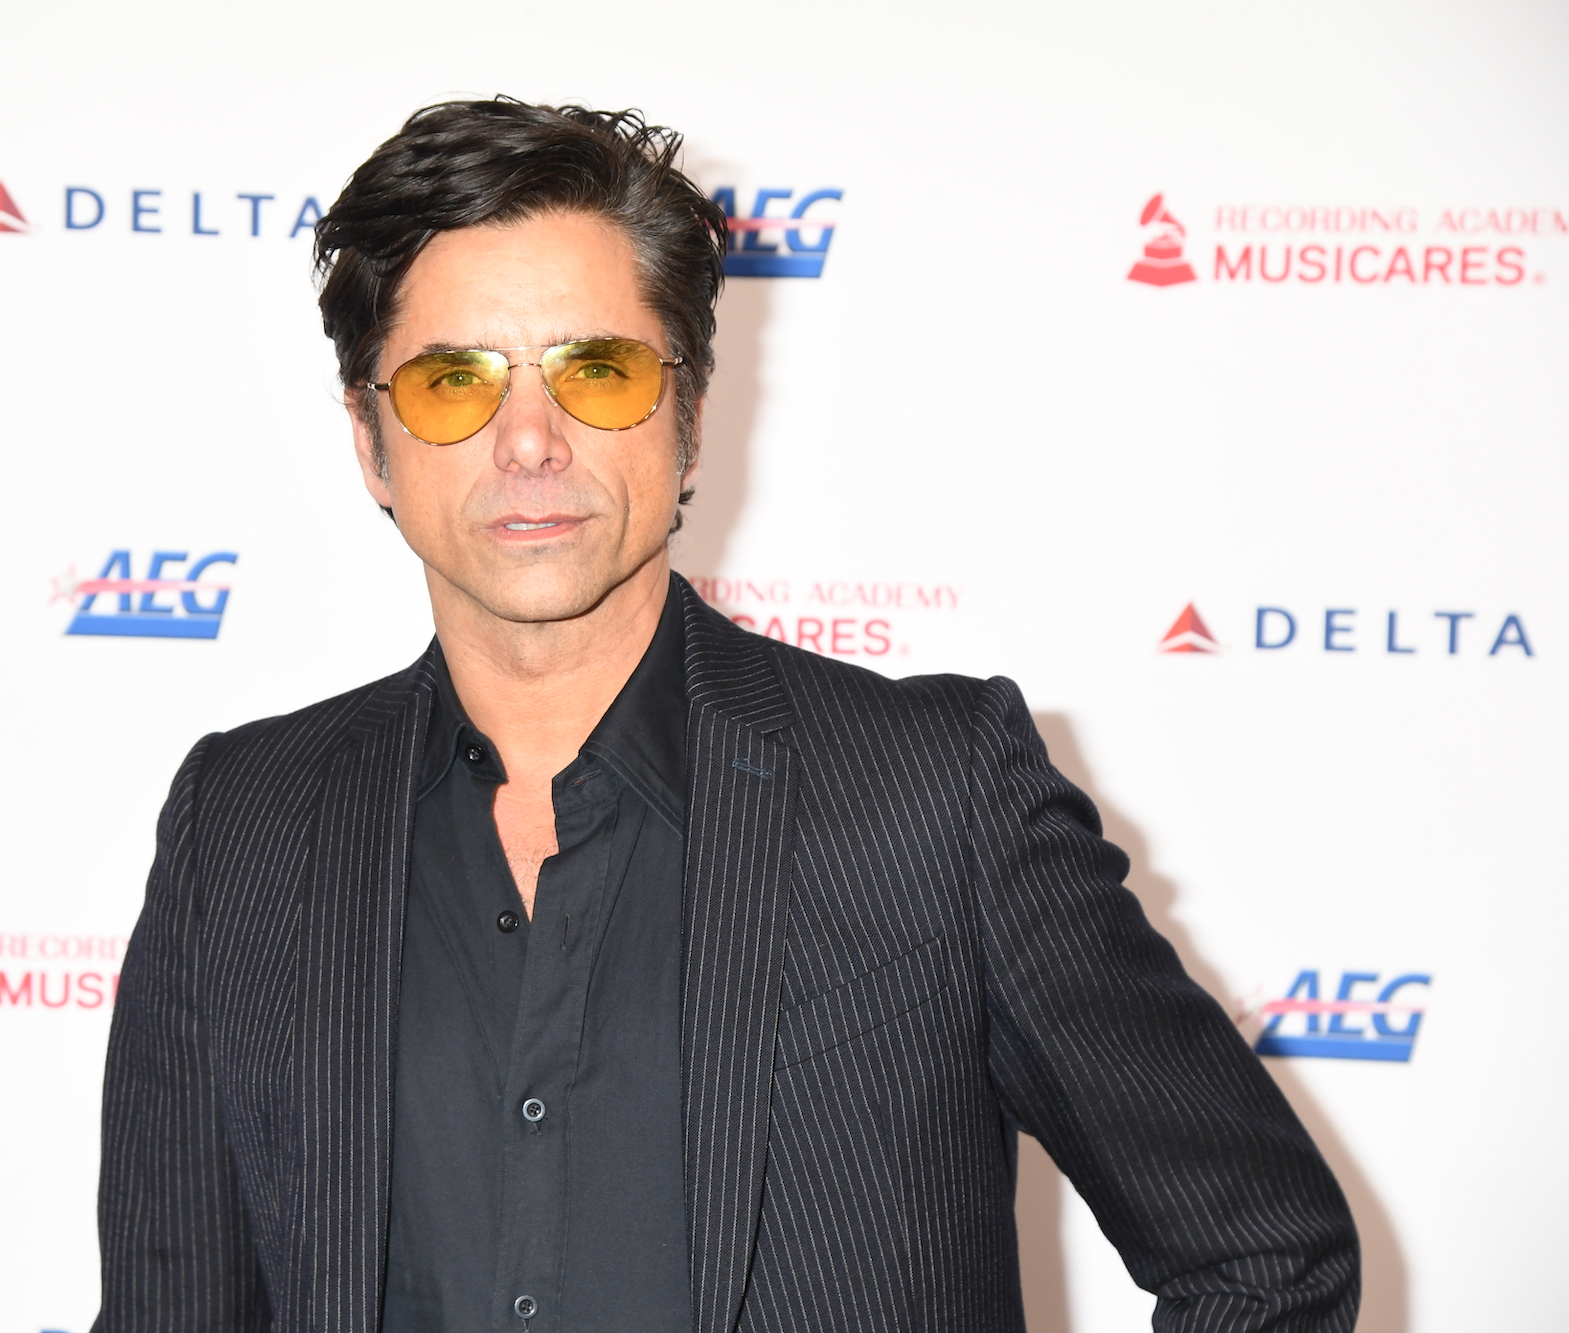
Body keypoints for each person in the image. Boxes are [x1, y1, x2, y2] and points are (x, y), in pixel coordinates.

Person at [93, 99, 1359, 1333]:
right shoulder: (238, 828)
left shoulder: (933, 797)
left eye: (596, 371)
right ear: (371, 440)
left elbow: (1263, 1255)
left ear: (689, 420)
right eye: (449, 381)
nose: (527, 440)